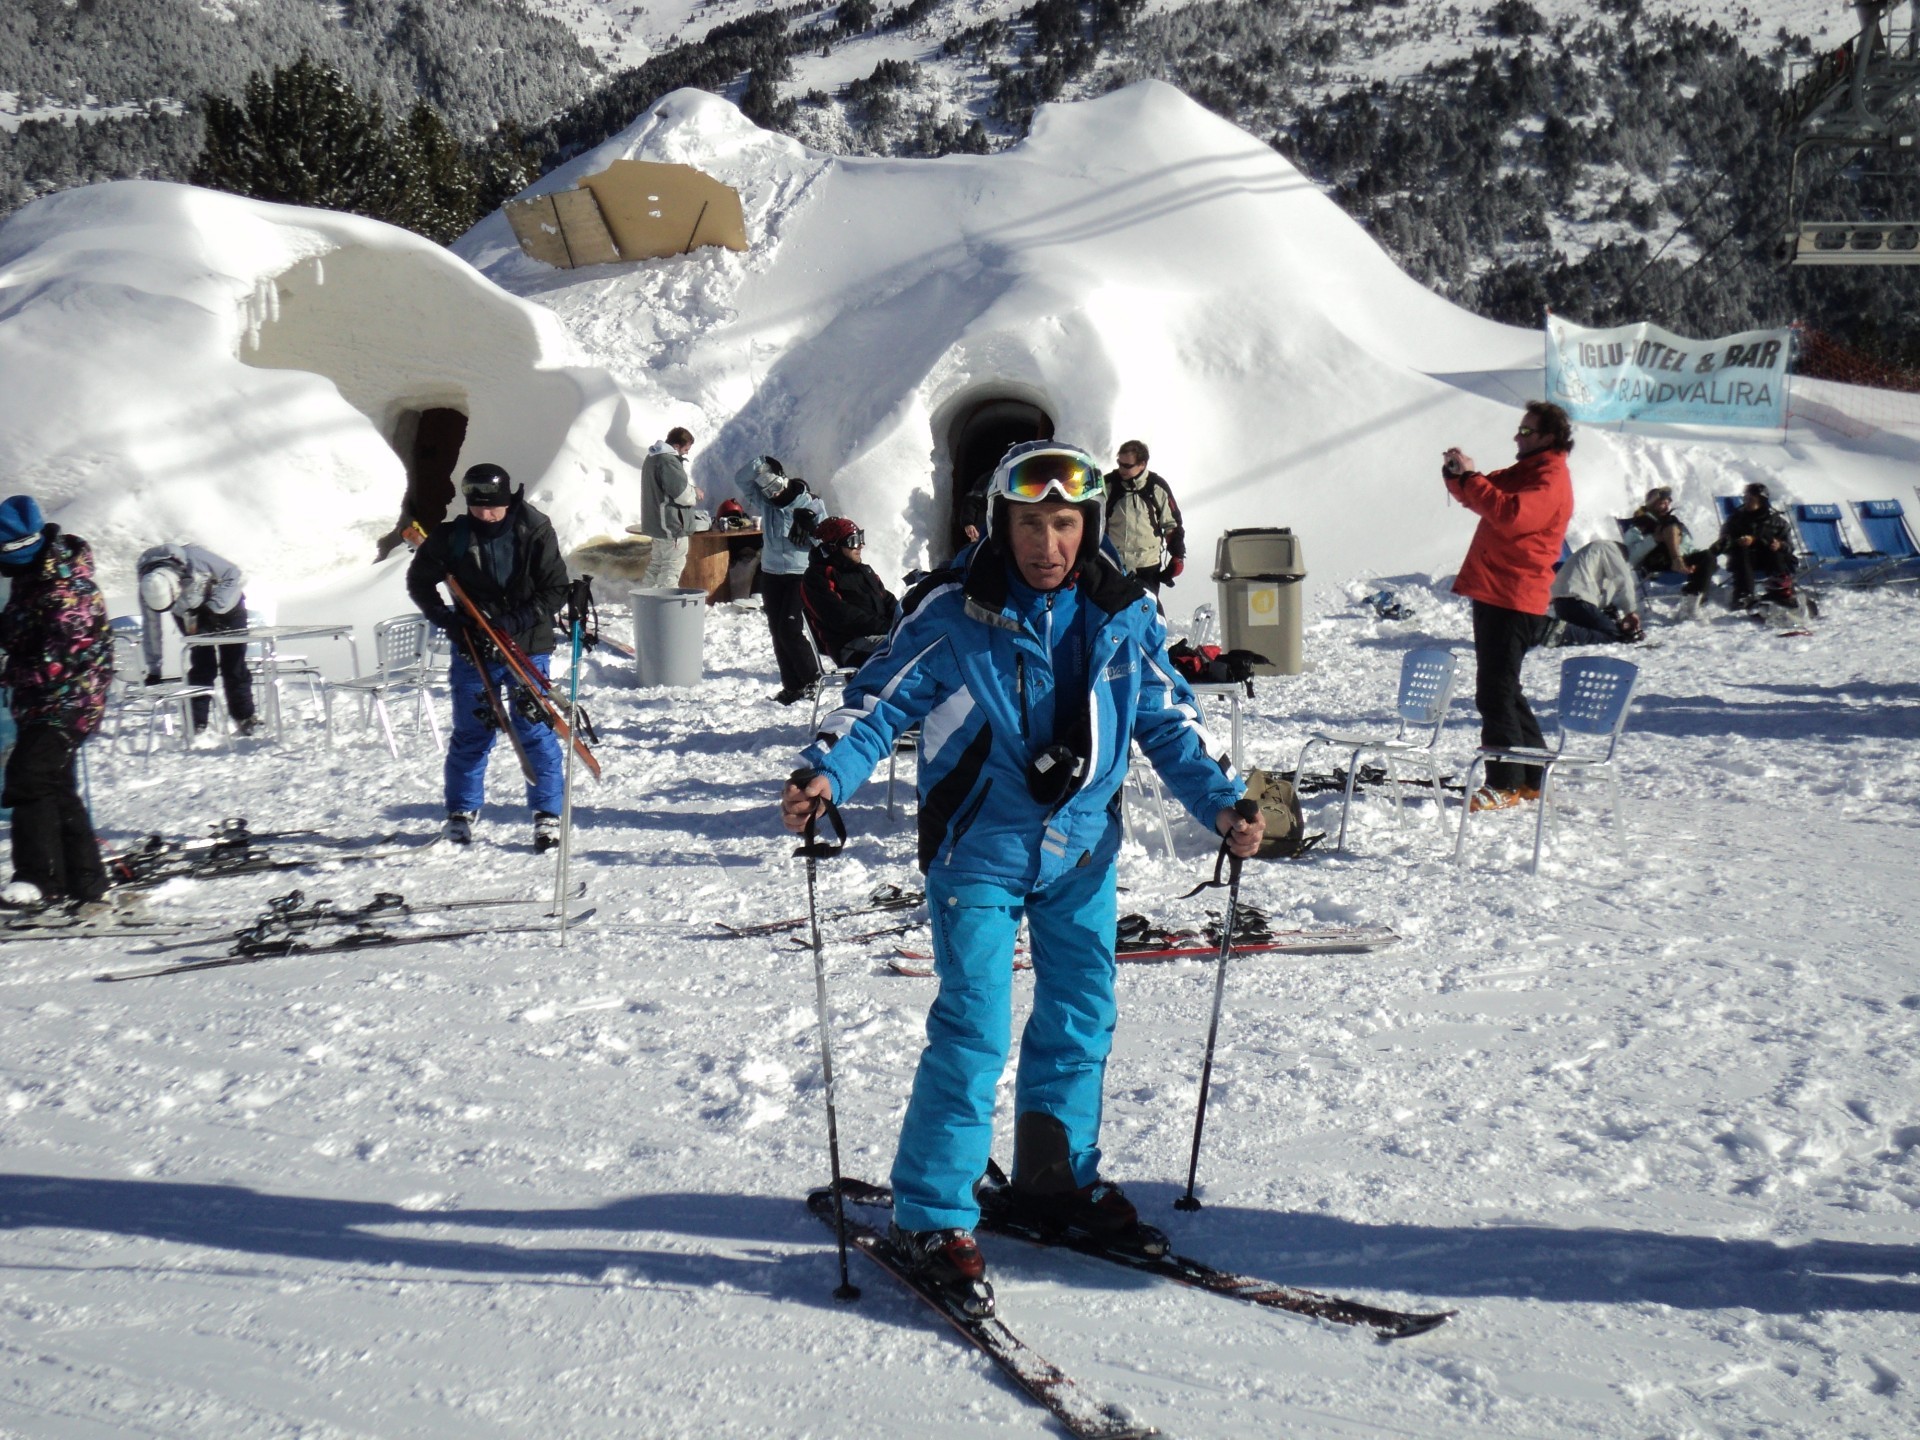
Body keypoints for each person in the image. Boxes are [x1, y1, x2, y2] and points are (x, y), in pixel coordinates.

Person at [778, 440, 1264, 1316]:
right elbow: (877, 704)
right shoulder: (953, 616)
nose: (1049, 544)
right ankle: (932, 1213)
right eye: (1032, 523)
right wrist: (825, 772)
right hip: (980, 854)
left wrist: (1223, 805)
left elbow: (1167, 721)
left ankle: (1053, 1178)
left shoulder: (1123, 616)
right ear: (1002, 525)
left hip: (1082, 851)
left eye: (1066, 523)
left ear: (1089, 527)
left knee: (1080, 1014)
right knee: (975, 1028)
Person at [406, 463, 569, 850]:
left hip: (526, 645)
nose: (486, 515)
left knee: (533, 729)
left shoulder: (534, 530)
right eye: (477, 508)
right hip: (473, 648)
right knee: (472, 731)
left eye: (493, 508)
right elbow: (418, 580)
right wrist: (448, 621)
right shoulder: (453, 537)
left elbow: (555, 589)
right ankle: (461, 812)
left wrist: (514, 621)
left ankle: (547, 814)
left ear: (508, 501)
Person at [1441, 401, 1575, 810]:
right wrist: (1458, 476)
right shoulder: (1530, 471)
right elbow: (1484, 492)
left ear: (1550, 437)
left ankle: (1505, 782)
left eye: (1528, 431)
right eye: (1520, 430)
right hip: (1499, 591)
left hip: (1514, 596)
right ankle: (1534, 775)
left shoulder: (1550, 477)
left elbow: (1509, 513)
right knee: (1506, 688)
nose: (1518, 436)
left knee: (1495, 691)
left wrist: (1471, 479)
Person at [0, 495, 113, 910]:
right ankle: (87, 883)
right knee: (57, 788)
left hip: (70, 699)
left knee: (29, 776)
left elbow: (58, 663)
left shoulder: (67, 588)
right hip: (39, 702)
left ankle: (37, 880)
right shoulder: (32, 578)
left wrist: (7, 670)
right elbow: (15, 631)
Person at [135, 542, 260, 737]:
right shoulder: (148, 587)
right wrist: (153, 670)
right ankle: (196, 724)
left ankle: (244, 716)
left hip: (228, 609)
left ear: (175, 586)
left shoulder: (195, 558)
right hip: (189, 614)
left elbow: (233, 574)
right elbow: (151, 628)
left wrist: (213, 607)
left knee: (233, 664)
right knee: (202, 665)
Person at [738, 455, 826, 704]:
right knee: (777, 631)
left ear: (784, 480)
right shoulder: (766, 503)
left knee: (790, 629)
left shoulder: (809, 503)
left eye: (775, 487)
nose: (772, 494)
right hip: (771, 573)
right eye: (767, 490)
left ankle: (813, 679)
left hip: (799, 574)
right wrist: (761, 462)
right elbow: (740, 479)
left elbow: (825, 540)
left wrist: (810, 527)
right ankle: (792, 686)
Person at [1683, 480, 1797, 611]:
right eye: (1745, 498)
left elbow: (1790, 547)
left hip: (1769, 560)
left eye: (1750, 498)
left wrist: (1780, 545)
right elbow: (1724, 542)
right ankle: (1743, 595)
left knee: (1775, 551)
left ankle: (1781, 591)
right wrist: (1737, 542)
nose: (1746, 501)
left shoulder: (1778, 522)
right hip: (1744, 561)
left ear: (1761, 500)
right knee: (1742, 552)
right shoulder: (1736, 520)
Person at [800, 517, 899, 668]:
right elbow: (841, 616)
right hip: (849, 645)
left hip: (881, 635)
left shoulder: (863, 570)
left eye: (861, 538)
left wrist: (907, 618)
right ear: (834, 546)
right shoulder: (818, 577)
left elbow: (887, 600)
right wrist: (886, 626)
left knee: (929, 640)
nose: (861, 546)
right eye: (853, 541)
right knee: (905, 649)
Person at [1103, 440, 1187, 591]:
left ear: (1142, 464)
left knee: (1146, 612)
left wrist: (1177, 557)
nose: (1121, 469)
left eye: (1127, 465)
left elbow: (1172, 525)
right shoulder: (1108, 485)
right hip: (1113, 563)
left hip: (1147, 567)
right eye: (1119, 463)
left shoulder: (1156, 487)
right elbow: (1091, 522)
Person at [1546, 540, 1642, 645]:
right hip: (1577, 599)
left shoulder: (1591, 552)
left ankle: (1561, 633)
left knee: (1591, 633)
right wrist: (1630, 611)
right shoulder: (1610, 548)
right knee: (1613, 635)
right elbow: (1623, 578)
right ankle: (1564, 634)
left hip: (1560, 603)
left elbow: (1599, 588)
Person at [641, 427, 698, 590]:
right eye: (686, 449)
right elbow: (682, 494)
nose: (686, 453)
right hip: (671, 525)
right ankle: (665, 606)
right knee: (671, 567)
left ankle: (644, 599)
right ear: (676, 446)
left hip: (656, 524)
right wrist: (695, 493)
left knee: (656, 565)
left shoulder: (652, 458)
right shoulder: (668, 461)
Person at [1621, 486, 1705, 579]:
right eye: (1662, 503)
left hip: (1681, 561)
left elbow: (1688, 544)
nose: (1666, 506)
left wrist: (1693, 555)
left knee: (1707, 557)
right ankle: (1678, 562)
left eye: (1667, 503)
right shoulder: (1640, 525)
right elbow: (1632, 557)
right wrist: (1654, 539)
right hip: (1658, 561)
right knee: (1670, 528)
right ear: (1652, 505)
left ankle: (1694, 591)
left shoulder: (1673, 521)